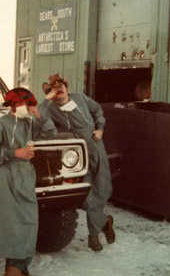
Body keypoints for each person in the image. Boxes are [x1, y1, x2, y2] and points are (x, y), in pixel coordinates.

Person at [0, 87, 57, 276]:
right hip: (6, 176)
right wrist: (13, 153)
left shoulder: (30, 123)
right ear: (12, 105)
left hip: (25, 175)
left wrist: (39, 116)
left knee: (28, 220)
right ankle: (15, 267)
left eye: (26, 103)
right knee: (11, 224)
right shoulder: (1, 123)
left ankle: (19, 266)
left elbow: (52, 133)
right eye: (20, 104)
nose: (23, 107)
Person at [38, 74, 115, 252]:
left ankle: (103, 224)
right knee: (88, 193)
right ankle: (95, 235)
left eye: (62, 85)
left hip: (96, 146)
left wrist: (100, 129)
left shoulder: (80, 98)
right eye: (55, 88)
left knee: (101, 187)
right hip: (78, 153)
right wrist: (45, 100)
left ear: (66, 86)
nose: (60, 89)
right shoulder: (50, 108)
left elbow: (97, 111)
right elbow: (38, 117)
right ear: (51, 92)